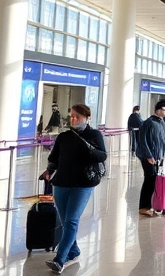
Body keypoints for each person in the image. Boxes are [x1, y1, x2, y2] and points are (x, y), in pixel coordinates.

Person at [43, 104, 107, 273]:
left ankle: (60, 259)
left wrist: (89, 149)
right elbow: (54, 157)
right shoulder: (64, 136)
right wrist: (49, 170)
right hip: (61, 182)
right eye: (72, 116)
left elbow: (102, 155)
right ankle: (74, 250)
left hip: (83, 184)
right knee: (65, 222)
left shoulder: (94, 135)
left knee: (72, 220)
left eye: (77, 116)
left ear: (87, 118)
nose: (73, 119)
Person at [135, 100, 165, 217]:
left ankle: (150, 205)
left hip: (157, 156)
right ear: (158, 110)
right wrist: (148, 155)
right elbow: (142, 140)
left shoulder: (161, 122)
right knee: (149, 180)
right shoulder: (148, 122)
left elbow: (164, 138)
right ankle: (144, 206)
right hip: (148, 157)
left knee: (153, 180)